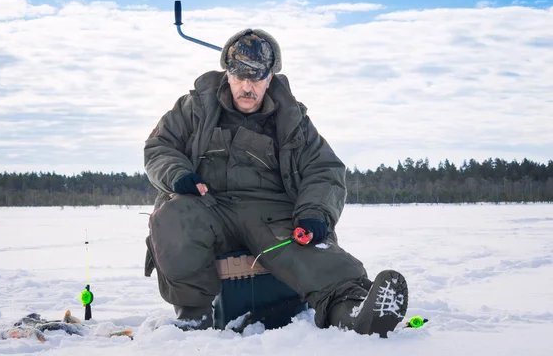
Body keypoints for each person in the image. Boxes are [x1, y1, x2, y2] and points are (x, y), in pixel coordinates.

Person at [143, 28, 408, 337]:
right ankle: (193, 317)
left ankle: (353, 310)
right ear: (226, 74)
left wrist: (315, 214)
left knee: (307, 249)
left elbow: (325, 169)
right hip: (207, 205)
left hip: (271, 215)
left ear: (269, 78)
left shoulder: (292, 119)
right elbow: (159, 147)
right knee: (173, 217)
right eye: (239, 77)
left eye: (255, 79)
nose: (246, 87)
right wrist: (178, 175)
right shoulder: (195, 108)